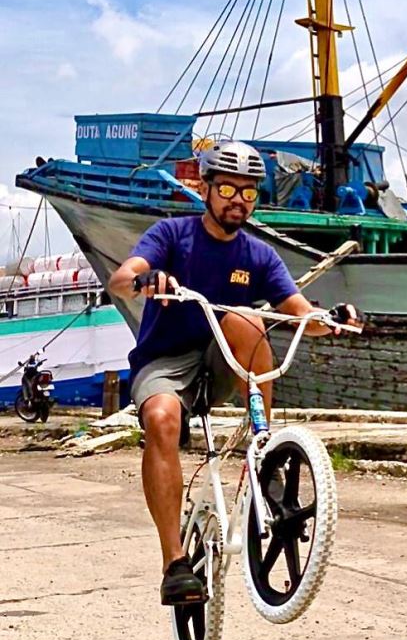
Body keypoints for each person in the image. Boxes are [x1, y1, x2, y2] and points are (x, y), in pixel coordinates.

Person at [108, 141, 360, 606]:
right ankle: (174, 562)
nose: (237, 200)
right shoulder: (171, 235)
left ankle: (263, 451)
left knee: (247, 320)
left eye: (248, 192)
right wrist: (146, 280)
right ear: (204, 188)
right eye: (227, 188)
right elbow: (120, 279)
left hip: (223, 359)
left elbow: (301, 312)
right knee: (162, 419)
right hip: (165, 362)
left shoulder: (259, 255)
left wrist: (336, 319)